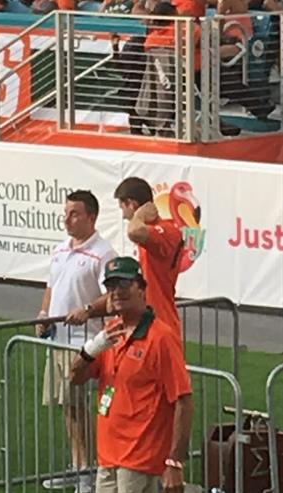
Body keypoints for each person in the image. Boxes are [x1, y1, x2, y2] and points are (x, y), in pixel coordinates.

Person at [70, 256, 193, 493]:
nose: (116, 292)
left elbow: (184, 400)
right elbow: (75, 378)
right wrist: (93, 347)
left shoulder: (161, 338)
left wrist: (175, 462)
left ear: (141, 288)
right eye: (111, 286)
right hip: (108, 457)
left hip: (140, 459)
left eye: (124, 285)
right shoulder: (111, 331)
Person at [36, 190, 117, 493]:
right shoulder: (60, 250)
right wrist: (44, 313)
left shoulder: (103, 253)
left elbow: (112, 296)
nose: (67, 219)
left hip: (84, 343)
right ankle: (79, 465)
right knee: (67, 406)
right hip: (58, 339)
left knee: (81, 407)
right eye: (66, 212)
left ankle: (89, 471)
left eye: (74, 214)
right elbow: (51, 286)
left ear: (91, 217)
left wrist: (87, 310)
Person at [67, 177, 183, 336]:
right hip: (144, 321)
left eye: (123, 208)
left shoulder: (165, 230)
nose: (123, 216)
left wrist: (139, 216)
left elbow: (133, 232)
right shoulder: (150, 235)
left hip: (160, 320)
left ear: (131, 204)